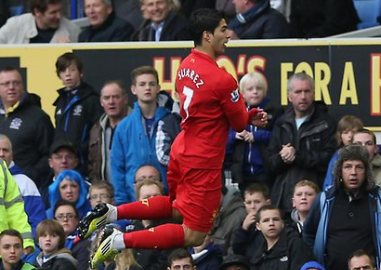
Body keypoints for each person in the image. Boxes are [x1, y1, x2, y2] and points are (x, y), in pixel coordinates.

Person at [78, 8, 267, 266]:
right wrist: (250, 114)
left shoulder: (185, 66)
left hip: (182, 147)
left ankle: (112, 212)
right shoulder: (223, 79)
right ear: (207, 36)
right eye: (223, 29)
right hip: (203, 160)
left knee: (176, 207)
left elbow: (206, 109)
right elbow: (238, 121)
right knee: (193, 234)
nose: (228, 35)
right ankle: (119, 240)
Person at [266, 72, 336, 213]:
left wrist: (297, 156)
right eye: (298, 92)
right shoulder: (281, 122)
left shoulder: (326, 123)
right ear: (289, 96)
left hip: (315, 196)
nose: (303, 96)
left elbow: (329, 160)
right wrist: (282, 158)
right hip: (283, 198)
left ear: (314, 93)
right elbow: (270, 162)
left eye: (307, 91)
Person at [303, 144, 381, 269]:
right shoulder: (325, 200)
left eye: (359, 167)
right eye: (348, 167)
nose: (353, 173)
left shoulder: (377, 200)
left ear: (366, 172)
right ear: (339, 171)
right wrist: (317, 262)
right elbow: (308, 233)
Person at [110, 66, 170, 204]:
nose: (147, 88)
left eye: (152, 84)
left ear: (158, 88)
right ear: (134, 89)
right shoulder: (124, 127)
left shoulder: (171, 122)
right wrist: (121, 202)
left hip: (166, 199)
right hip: (133, 200)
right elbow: (117, 168)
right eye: (142, 84)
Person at [227, 71, 282, 191]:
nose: (255, 92)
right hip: (242, 173)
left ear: (265, 91)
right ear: (242, 93)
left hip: (266, 172)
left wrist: (256, 136)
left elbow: (278, 137)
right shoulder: (236, 113)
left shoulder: (274, 112)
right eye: (250, 89)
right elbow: (225, 139)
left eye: (259, 88)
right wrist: (235, 135)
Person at [0, 66, 54, 184]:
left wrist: (29, 176)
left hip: (24, 188)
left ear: (22, 86)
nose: (11, 87)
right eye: (6, 84)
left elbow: (49, 155)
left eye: (16, 83)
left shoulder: (38, 117)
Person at [53, 52, 103, 176]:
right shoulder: (60, 101)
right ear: (59, 75)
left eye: (72, 70)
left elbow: (97, 133)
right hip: (63, 163)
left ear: (81, 73)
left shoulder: (91, 99)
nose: (68, 74)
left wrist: (82, 151)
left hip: (83, 162)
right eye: (63, 71)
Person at [0, 134, 46, 237]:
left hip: (17, 249)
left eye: (5, 150)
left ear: (12, 155)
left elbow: (37, 222)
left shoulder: (25, 183)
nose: (1, 154)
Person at [88, 80, 131, 183]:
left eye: (116, 97)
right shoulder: (96, 129)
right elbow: (92, 165)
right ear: (101, 102)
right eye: (106, 98)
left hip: (132, 193)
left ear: (125, 99)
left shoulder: (137, 125)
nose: (111, 102)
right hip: (105, 194)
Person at [252, 205, 314, 269]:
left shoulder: (296, 245)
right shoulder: (256, 254)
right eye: (266, 220)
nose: (271, 223)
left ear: (282, 223)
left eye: (275, 219)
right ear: (258, 226)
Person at [0, 0, 80, 43]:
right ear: (37, 12)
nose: (59, 16)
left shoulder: (72, 31)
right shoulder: (14, 26)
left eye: (60, 11)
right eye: (53, 12)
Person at [323, 115, 364, 190]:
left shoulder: (367, 153)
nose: (350, 136)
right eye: (346, 132)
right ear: (340, 136)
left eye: (354, 132)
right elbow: (329, 184)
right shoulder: (337, 157)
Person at [231, 183, 271, 258]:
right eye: (249, 203)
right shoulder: (243, 224)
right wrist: (243, 229)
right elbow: (236, 250)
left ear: (268, 203)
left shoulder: (273, 223)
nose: (252, 206)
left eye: (257, 202)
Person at [289, 0, 359, 38]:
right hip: (307, 43)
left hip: (338, 42)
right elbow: (294, 20)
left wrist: (310, 39)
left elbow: (335, 23)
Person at [54, 200, 90, 270]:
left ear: (77, 220)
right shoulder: (47, 242)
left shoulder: (84, 245)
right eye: (60, 216)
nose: (65, 219)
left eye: (70, 216)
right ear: (54, 221)